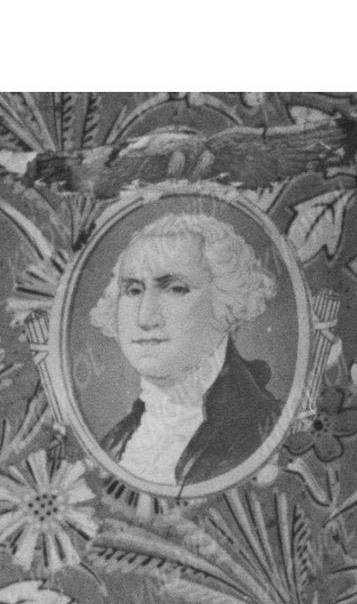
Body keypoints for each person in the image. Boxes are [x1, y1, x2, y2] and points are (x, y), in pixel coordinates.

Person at [79, 199, 288, 496]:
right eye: (133, 290)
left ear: (227, 301)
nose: (145, 317)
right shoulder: (115, 442)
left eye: (176, 288)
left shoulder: (265, 430)